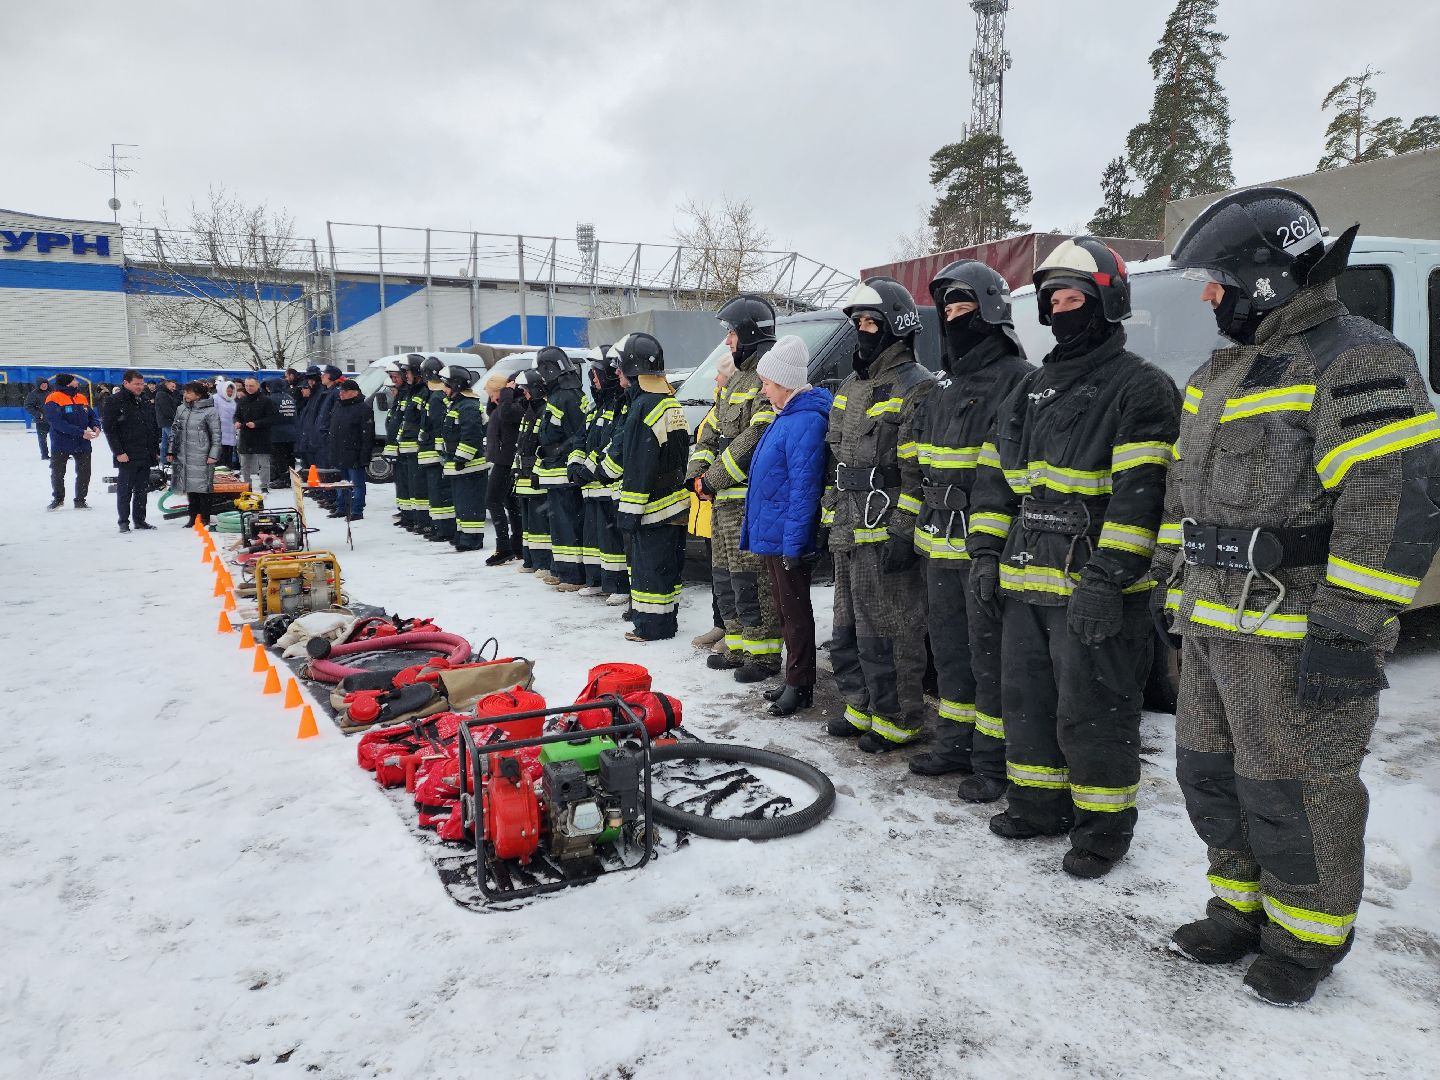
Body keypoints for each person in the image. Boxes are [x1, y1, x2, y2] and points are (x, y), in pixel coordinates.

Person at [1158, 188, 1440, 1005]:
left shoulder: (1359, 359)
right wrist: (1173, 588)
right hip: (1213, 622)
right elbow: (1188, 496)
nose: (1209, 295)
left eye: (1218, 279)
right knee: (1212, 776)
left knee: (1297, 787)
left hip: (1296, 629)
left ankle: (1306, 940)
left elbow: (1392, 503)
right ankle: (1237, 910)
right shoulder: (1219, 372)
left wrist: (1350, 630)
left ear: (1271, 278)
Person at [967, 237, 1181, 879]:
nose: (1062, 310)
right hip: (1025, 577)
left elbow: (1143, 498)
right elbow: (996, 479)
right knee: (1026, 701)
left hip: (1094, 584)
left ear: (1107, 301)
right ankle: (1037, 806)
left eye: (1074, 298)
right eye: (1053, 299)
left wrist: (1109, 579)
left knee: (1093, 713)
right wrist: (983, 553)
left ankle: (1102, 830)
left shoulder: (1141, 388)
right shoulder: (1031, 389)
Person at [904, 261, 1034, 802]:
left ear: (992, 313)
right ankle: (954, 742)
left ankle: (992, 760)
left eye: (965, 310)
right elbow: (919, 463)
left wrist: (991, 550)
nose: (955, 321)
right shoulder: (943, 389)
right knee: (951, 652)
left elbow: (1008, 476)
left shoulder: (1019, 380)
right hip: (938, 542)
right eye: (948, 312)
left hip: (989, 546)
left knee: (990, 658)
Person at [821, 277, 937, 752]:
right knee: (846, 627)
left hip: (886, 524)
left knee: (891, 631)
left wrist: (905, 531)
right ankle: (859, 706)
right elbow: (836, 455)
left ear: (897, 327)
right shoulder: (850, 384)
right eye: (858, 323)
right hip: (847, 526)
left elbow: (918, 472)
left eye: (872, 322)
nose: (864, 331)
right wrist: (829, 510)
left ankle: (897, 717)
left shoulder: (918, 387)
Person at [689, 294, 784, 683]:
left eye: (730, 332)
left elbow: (755, 436)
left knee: (752, 581)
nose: (727, 341)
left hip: (746, 502)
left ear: (747, 333)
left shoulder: (765, 378)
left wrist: (711, 478)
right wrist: (697, 471)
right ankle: (739, 645)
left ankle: (763, 657)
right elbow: (709, 431)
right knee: (727, 579)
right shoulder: (736, 382)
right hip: (722, 503)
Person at [740, 335, 833, 715]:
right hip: (776, 533)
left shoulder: (806, 420)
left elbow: (803, 489)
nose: (763, 390)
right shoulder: (789, 416)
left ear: (786, 383)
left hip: (787, 537)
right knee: (785, 610)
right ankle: (792, 678)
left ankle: (800, 684)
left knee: (795, 613)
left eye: (768, 383)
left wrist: (795, 545)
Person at [607, 333, 690, 641]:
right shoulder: (669, 402)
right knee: (668, 568)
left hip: (653, 506)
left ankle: (651, 627)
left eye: (620, 366)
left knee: (649, 569)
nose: (616, 372)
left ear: (634, 369)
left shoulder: (643, 407)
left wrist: (627, 515)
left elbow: (639, 467)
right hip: (674, 502)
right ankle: (664, 623)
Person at [535, 347, 589, 590]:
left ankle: (573, 575)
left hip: (563, 471)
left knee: (568, 524)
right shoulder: (563, 394)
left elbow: (576, 436)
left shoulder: (567, 396)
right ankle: (561, 569)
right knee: (559, 524)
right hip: (554, 470)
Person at [594, 347, 634, 607]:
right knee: (610, 537)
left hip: (619, 484)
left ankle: (622, 586)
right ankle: (613, 583)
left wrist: (599, 467)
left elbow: (617, 443)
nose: (594, 379)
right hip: (608, 483)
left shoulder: (629, 403)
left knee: (623, 541)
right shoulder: (611, 403)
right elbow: (587, 438)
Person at [103, 369, 162, 533]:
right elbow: (110, 429)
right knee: (125, 490)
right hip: (127, 453)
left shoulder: (143, 400)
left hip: (144, 452)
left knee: (142, 490)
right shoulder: (115, 401)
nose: (140, 387)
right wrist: (118, 452)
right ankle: (123, 521)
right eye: (136, 384)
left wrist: (154, 450)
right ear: (126, 383)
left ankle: (140, 520)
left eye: (142, 384)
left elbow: (150, 426)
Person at [439, 365, 490, 552]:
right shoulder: (457, 404)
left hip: (471, 466)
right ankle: (463, 535)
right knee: (461, 504)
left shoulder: (468, 405)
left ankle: (472, 539)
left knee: (471, 504)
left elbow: (471, 435)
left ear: (456, 385)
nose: (443, 389)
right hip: (459, 465)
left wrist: (462, 458)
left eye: (446, 385)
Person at [513, 369, 553, 575]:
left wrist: (537, 471)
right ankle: (530, 559)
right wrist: (515, 468)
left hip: (536, 475)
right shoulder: (528, 411)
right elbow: (521, 444)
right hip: (524, 475)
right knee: (528, 523)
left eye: (526, 390)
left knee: (540, 524)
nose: (524, 394)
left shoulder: (544, 410)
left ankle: (543, 562)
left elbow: (543, 446)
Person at [42, 374, 102, 510]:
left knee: (84, 472)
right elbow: (57, 423)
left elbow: (91, 416)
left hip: (83, 443)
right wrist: (81, 432)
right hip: (61, 442)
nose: (77, 381)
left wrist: (96, 426)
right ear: (68, 383)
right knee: (58, 472)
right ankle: (58, 499)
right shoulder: (53, 398)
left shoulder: (80, 397)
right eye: (74, 379)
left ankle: (80, 500)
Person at [484, 369, 525, 565]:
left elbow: (507, 415)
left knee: (493, 500)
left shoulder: (515, 405)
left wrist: (506, 393)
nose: (491, 399)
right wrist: (498, 398)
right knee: (510, 502)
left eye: (493, 394)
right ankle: (517, 544)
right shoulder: (502, 406)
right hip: (503, 459)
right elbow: (493, 413)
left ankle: (504, 547)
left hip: (506, 460)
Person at [168, 381, 222, 527]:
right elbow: (174, 430)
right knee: (190, 488)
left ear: (198, 395)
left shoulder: (210, 411)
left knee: (204, 488)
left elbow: (216, 435)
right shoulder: (181, 409)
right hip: (184, 455)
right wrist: (171, 450)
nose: (185, 395)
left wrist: (213, 455)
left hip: (202, 456)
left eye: (188, 392)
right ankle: (193, 517)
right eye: (185, 392)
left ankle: (205, 517)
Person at [417, 357, 455, 543]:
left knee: (440, 493)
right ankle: (439, 526)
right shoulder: (435, 395)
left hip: (435, 453)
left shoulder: (437, 397)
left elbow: (440, 427)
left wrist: (441, 452)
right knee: (435, 493)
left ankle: (445, 529)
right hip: (431, 451)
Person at [326, 379, 373, 520]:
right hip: (339, 452)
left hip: (354, 453)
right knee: (342, 483)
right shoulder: (338, 406)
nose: (341, 394)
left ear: (354, 392)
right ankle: (342, 507)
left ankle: (357, 510)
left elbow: (367, 435)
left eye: (344, 391)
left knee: (357, 484)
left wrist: (364, 456)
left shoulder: (364, 408)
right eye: (340, 391)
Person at [393, 356, 428, 530]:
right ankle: (411, 517)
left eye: (407, 372)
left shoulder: (422, 392)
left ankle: (421, 520)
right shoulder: (411, 392)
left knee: (418, 488)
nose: (405, 375)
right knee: (407, 486)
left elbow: (423, 422)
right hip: (406, 448)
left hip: (416, 448)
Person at [234, 375, 278, 491]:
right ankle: (247, 484)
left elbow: (272, 418)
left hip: (262, 436)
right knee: (244, 463)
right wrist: (237, 422)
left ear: (257, 386)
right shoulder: (242, 400)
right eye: (247, 385)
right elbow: (236, 415)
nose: (249, 388)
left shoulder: (266, 400)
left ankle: (264, 485)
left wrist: (256, 424)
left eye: (251, 386)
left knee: (264, 463)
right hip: (245, 436)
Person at [266, 379, 298, 482]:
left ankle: (282, 479)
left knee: (279, 458)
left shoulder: (270, 399)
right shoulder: (289, 398)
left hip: (276, 433)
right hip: (291, 432)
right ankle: (291, 478)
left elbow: (268, 416)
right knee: (289, 457)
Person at [154, 377, 181, 462]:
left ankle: (163, 461)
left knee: (165, 443)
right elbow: (167, 409)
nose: (174, 388)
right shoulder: (162, 394)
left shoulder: (163, 393)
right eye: (172, 386)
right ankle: (174, 461)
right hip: (168, 421)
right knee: (174, 441)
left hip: (165, 421)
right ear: (167, 384)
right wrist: (175, 418)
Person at [23, 378, 51, 460]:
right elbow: (28, 406)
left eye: (45, 384)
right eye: (42, 384)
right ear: (38, 385)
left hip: (52, 420)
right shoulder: (33, 394)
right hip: (41, 421)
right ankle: (45, 455)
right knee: (43, 439)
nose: (44, 385)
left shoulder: (51, 392)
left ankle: (58, 455)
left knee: (56, 438)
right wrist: (38, 414)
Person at [213, 381, 238, 468]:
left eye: (231, 391)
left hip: (230, 432)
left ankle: (228, 470)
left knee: (228, 454)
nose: (230, 393)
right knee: (220, 456)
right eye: (228, 391)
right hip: (219, 432)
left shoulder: (232, 402)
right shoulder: (215, 399)